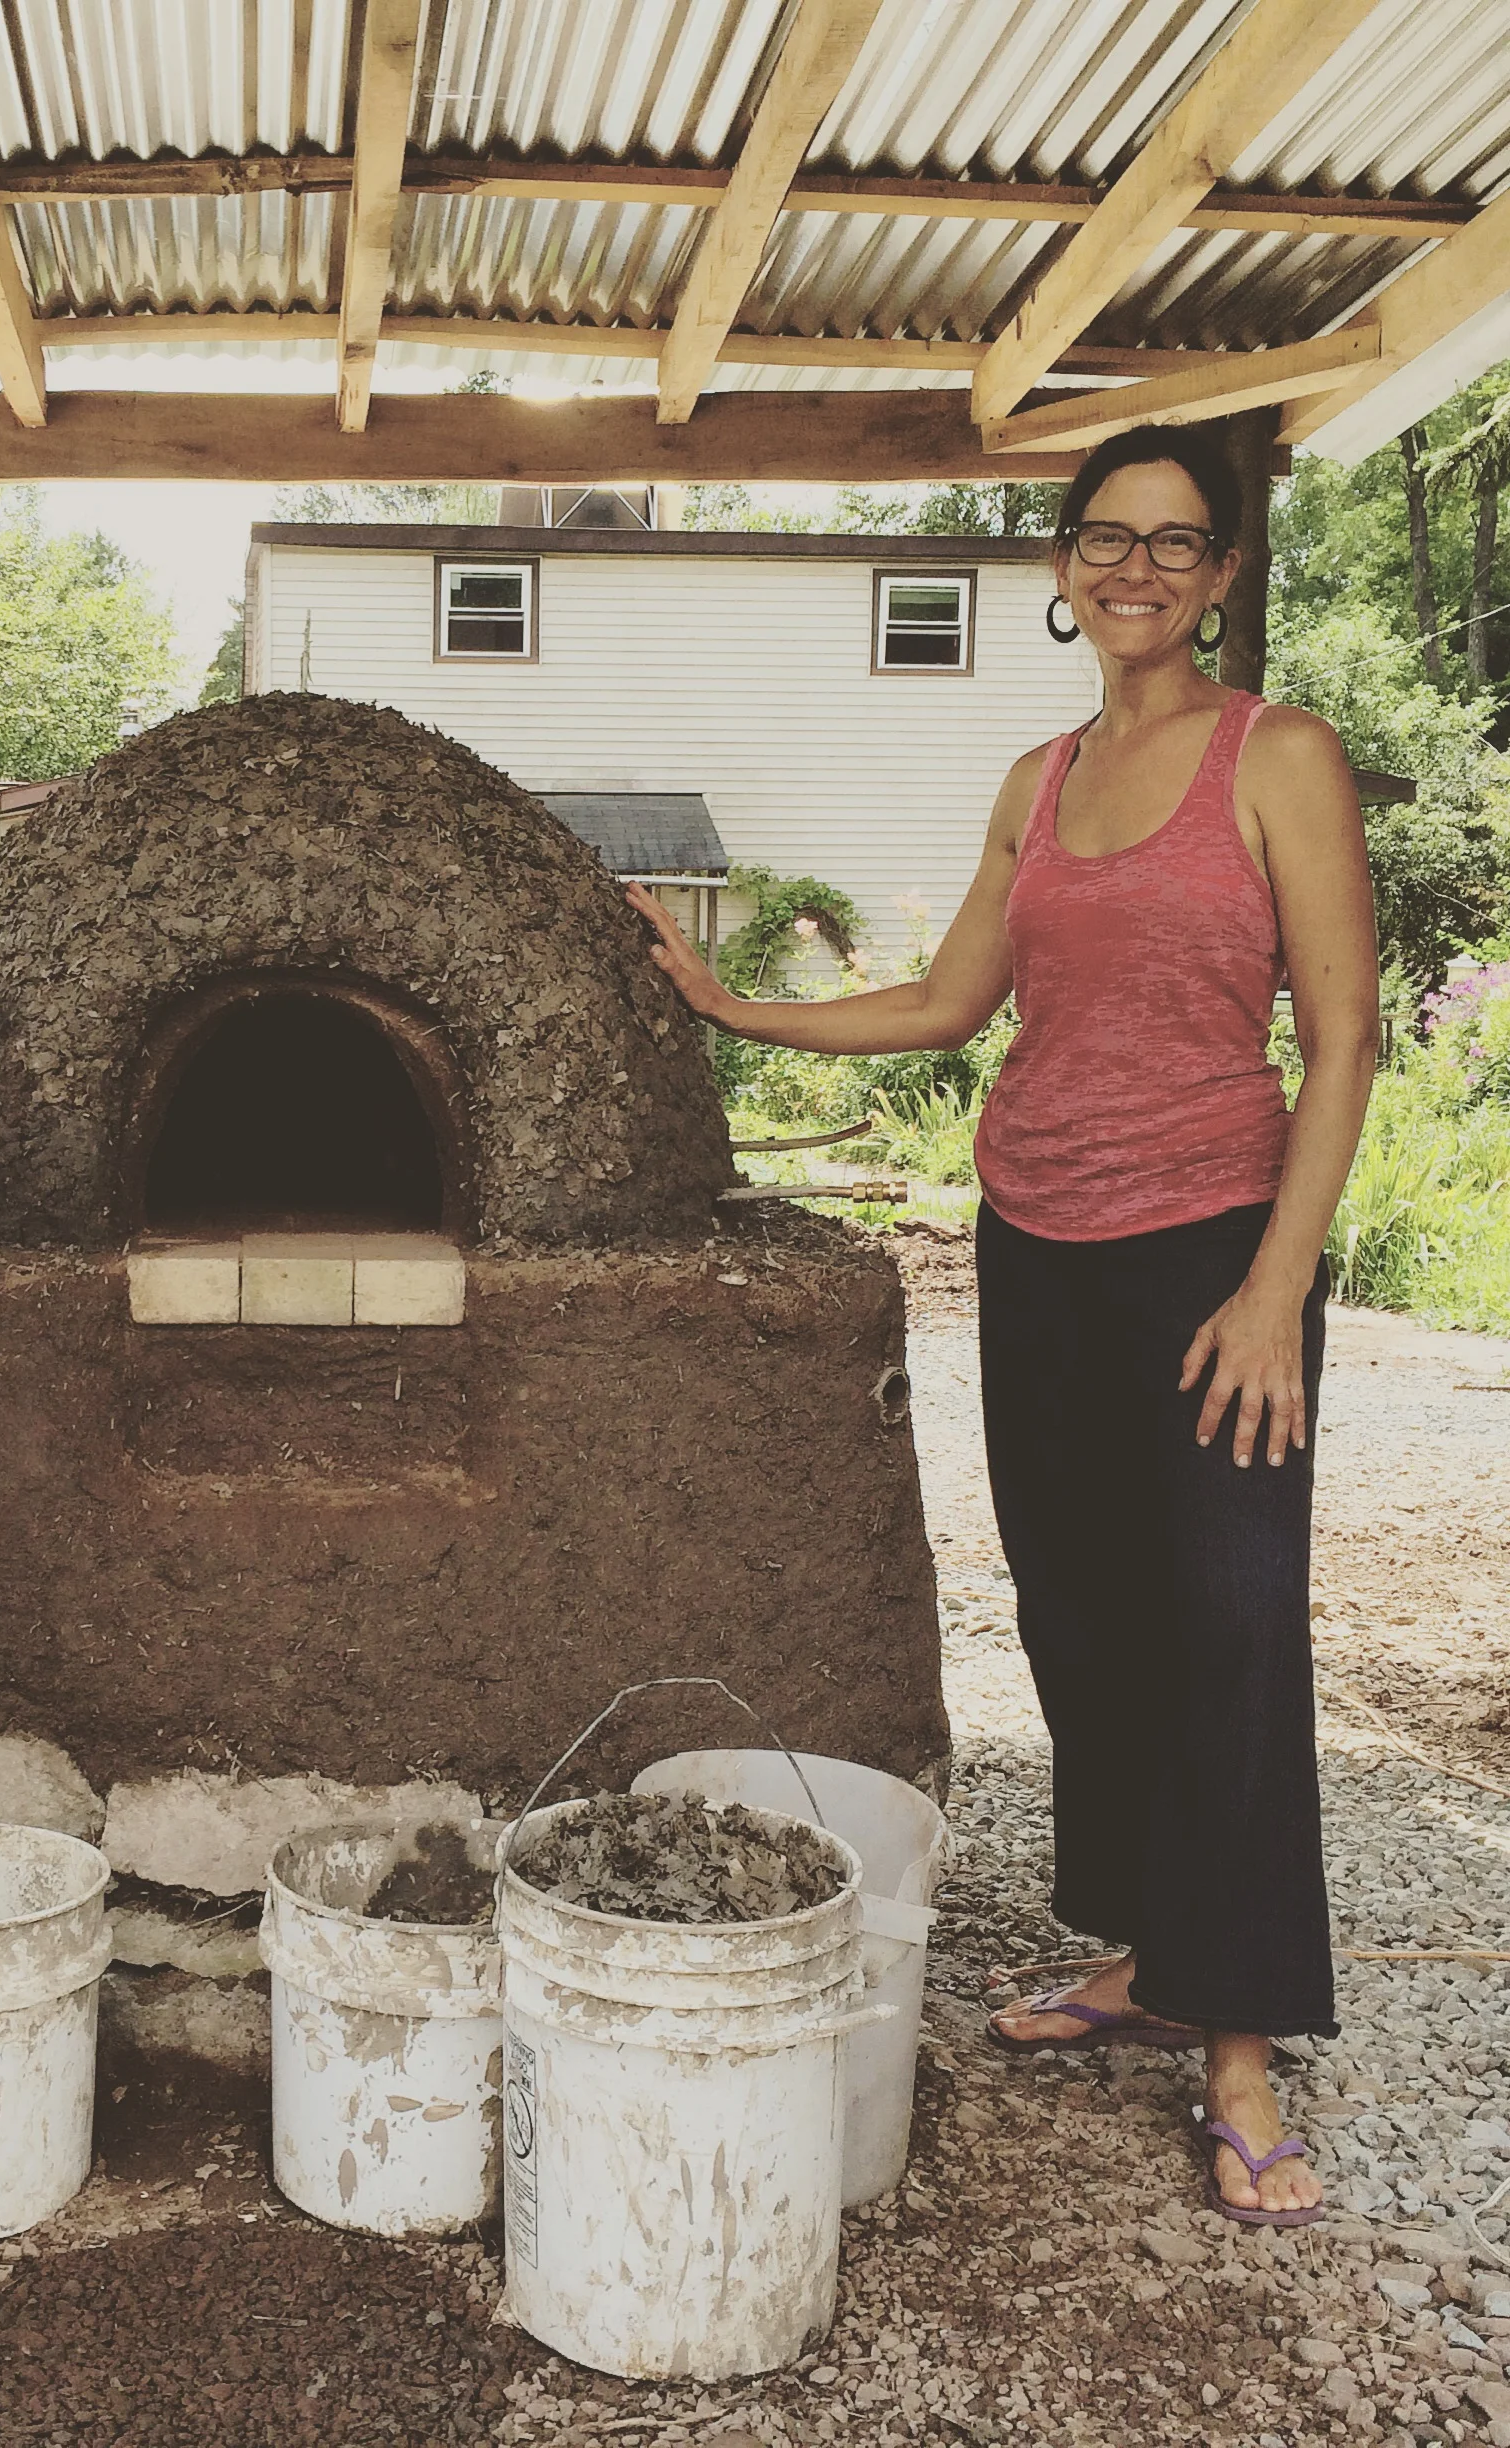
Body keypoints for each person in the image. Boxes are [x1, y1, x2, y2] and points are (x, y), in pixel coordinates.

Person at [630, 422, 1378, 2229]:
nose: (1137, 570)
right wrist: (733, 1005)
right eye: (1105, 539)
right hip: (1036, 1244)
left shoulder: (1277, 759)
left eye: (1177, 544)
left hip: (1213, 1255)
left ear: (1221, 574)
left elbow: (1345, 1040)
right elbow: (957, 1002)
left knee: (1227, 1623)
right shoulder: (1036, 781)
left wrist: (1277, 1285)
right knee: (1082, 1615)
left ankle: (1240, 2043)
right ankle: (1147, 1954)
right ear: (1061, 565)